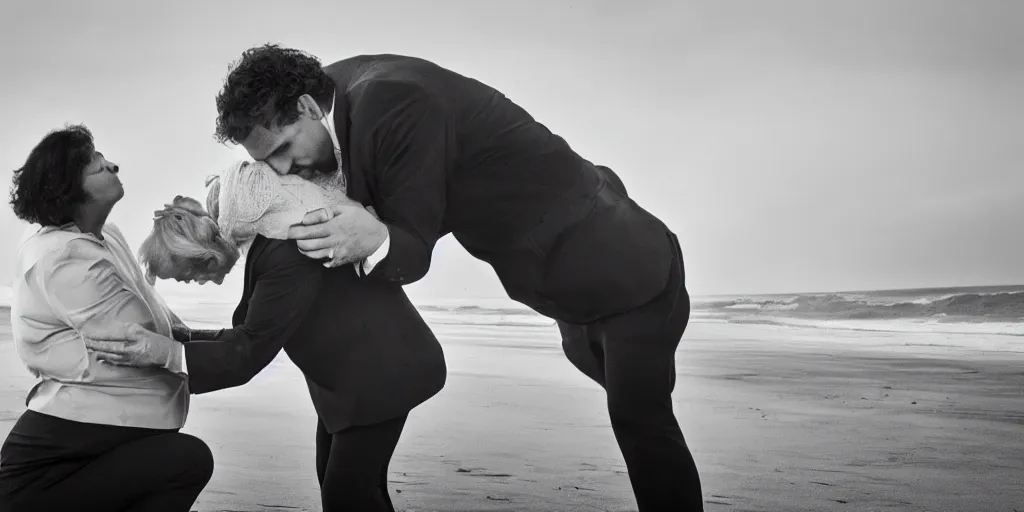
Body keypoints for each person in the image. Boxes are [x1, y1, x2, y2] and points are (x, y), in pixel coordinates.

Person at [210, 44, 702, 511]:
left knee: (642, 422)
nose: (280, 168)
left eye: (282, 148)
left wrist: (375, 238)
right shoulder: (331, 100)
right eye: (264, 160)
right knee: (628, 401)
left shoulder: (398, 103)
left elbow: (412, 250)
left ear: (307, 108)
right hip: (554, 286)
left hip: (622, 266)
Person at [88, 160, 447, 512]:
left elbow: (249, 352)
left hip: (383, 376)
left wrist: (168, 352)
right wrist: (177, 337)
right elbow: (250, 333)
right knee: (350, 490)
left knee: (347, 495)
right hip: (350, 383)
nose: (197, 283)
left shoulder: (282, 251)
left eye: (186, 275)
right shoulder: (263, 242)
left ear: (204, 258)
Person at [0, 125, 213, 512]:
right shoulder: (63, 259)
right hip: (49, 467)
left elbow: (165, 325)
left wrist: (243, 338)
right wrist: (242, 348)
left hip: (101, 430)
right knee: (187, 460)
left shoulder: (105, 235)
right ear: (68, 189)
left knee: (185, 460)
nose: (112, 164)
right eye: (98, 167)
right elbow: (143, 340)